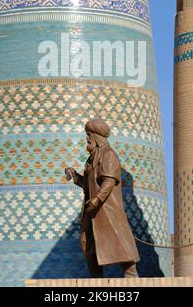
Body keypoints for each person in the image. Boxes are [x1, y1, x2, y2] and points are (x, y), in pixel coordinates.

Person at [65, 117, 140, 278]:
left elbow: (109, 181)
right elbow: (89, 184)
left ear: (96, 136)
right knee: (87, 243)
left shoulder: (108, 155)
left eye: (89, 134)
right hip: (92, 211)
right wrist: (75, 176)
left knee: (119, 241)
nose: (87, 138)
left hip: (107, 209)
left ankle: (131, 277)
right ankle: (96, 280)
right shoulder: (91, 159)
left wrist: (98, 199)